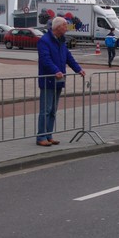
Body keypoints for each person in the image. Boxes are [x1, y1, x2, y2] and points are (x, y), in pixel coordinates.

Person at [36, 16, 85, 146]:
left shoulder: (61, 41)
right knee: (45, 110)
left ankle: (49, 135)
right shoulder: (44, 41)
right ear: (57, 27)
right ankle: (41, 137)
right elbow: (45, 59)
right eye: (65, 25)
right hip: (48, 80)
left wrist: (78, 69)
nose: (66, 27)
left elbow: (69, 57)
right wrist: (55, 71)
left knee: (53, 110)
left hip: (59, 80)